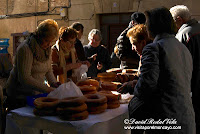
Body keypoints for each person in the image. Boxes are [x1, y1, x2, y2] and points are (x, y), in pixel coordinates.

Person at [126, 7, 195, 134]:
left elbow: (145, 88)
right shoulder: (182, 47)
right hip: (186, 120)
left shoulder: (154, 48)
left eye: (147, 24)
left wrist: (133, 88)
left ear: (153, 26)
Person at [6, 19, 60, 109]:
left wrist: (53, 83)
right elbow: (25, 78)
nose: (49, 44)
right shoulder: (26, 49)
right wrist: (47, 89)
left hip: (35, 94)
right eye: (47, 40)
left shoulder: (47, 49)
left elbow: (48, 70)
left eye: (51, 41)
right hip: (19, 95)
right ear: (39, 36)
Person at [170, 5, 200, 133]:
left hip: (193, 89)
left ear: (179, 19)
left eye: (172, 22)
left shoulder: (184, 34)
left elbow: (179, 67)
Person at [118, 24, 151, 94]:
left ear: (143, 43)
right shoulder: (144, 55)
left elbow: (146, 82)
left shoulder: (150, 57)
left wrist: (130, 84)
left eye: (134, 44)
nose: (132, 48)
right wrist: (128, 77)